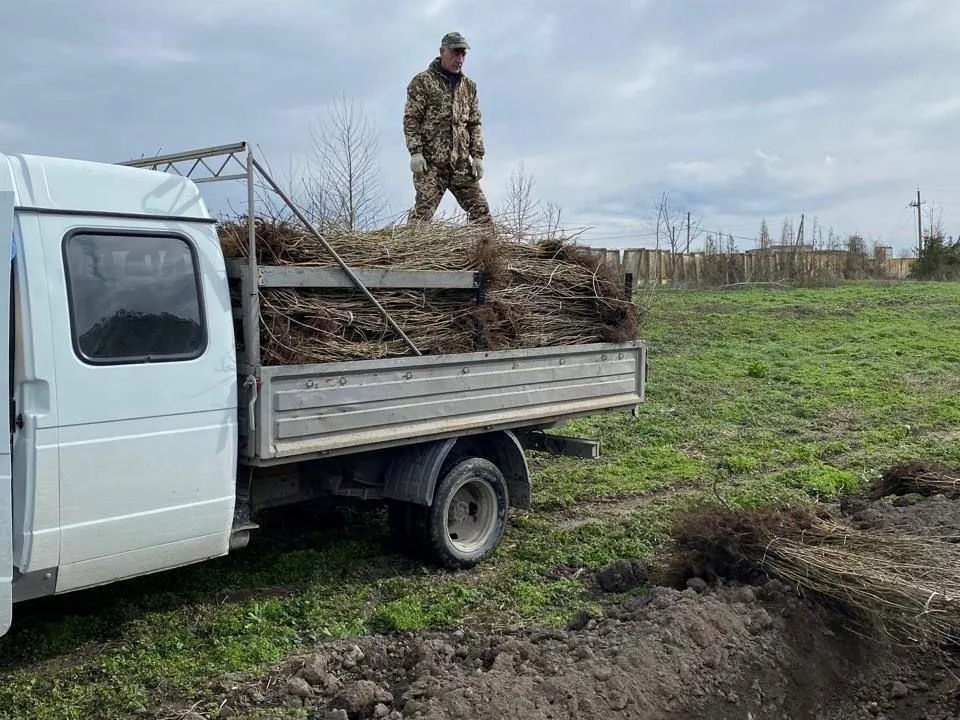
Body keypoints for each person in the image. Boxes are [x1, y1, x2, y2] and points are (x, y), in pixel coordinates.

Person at [403, 32, 492, 227]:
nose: (459, 59)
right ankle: (406, 254)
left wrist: (477, 156)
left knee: (482, 213)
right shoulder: (422, 82)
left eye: (463, 54)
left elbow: (474, 123)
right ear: (442, 52)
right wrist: (416, 152)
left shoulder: (469, 87)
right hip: (431, 165)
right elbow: (411, 119)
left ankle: (485, 255)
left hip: (460, 163)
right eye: (455, 53)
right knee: (422, 215)